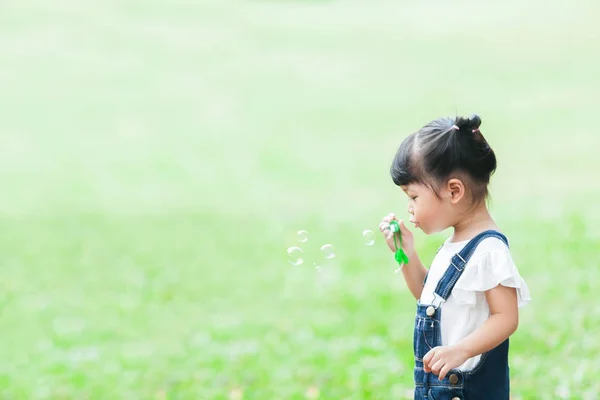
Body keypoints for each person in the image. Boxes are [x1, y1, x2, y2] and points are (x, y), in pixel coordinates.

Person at [379, 115, 531, 399]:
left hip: (465, 391)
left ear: (454, 190)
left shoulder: (489, 251)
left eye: (413, 197)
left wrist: (461, 350)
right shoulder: (453, 245)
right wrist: (406, 254)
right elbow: (429, 297)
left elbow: (506, 317)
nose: (409, 208)